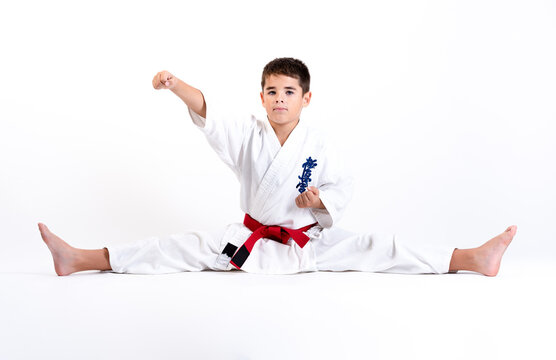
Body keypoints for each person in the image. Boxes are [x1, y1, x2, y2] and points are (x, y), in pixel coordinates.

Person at [38, 58, 517, 277]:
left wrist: (320, 201)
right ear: (261, 97)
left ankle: (470, 258)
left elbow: (342, 184)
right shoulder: (246, 133)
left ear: (306, 98)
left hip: (308, 242)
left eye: (289, 91)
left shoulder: (319, 143)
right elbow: (209, 114)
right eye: (272, 91)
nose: (279, 98)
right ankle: (82, 258)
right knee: (179, 248)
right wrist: (175, 84)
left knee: (378, 247)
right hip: (248, 240)